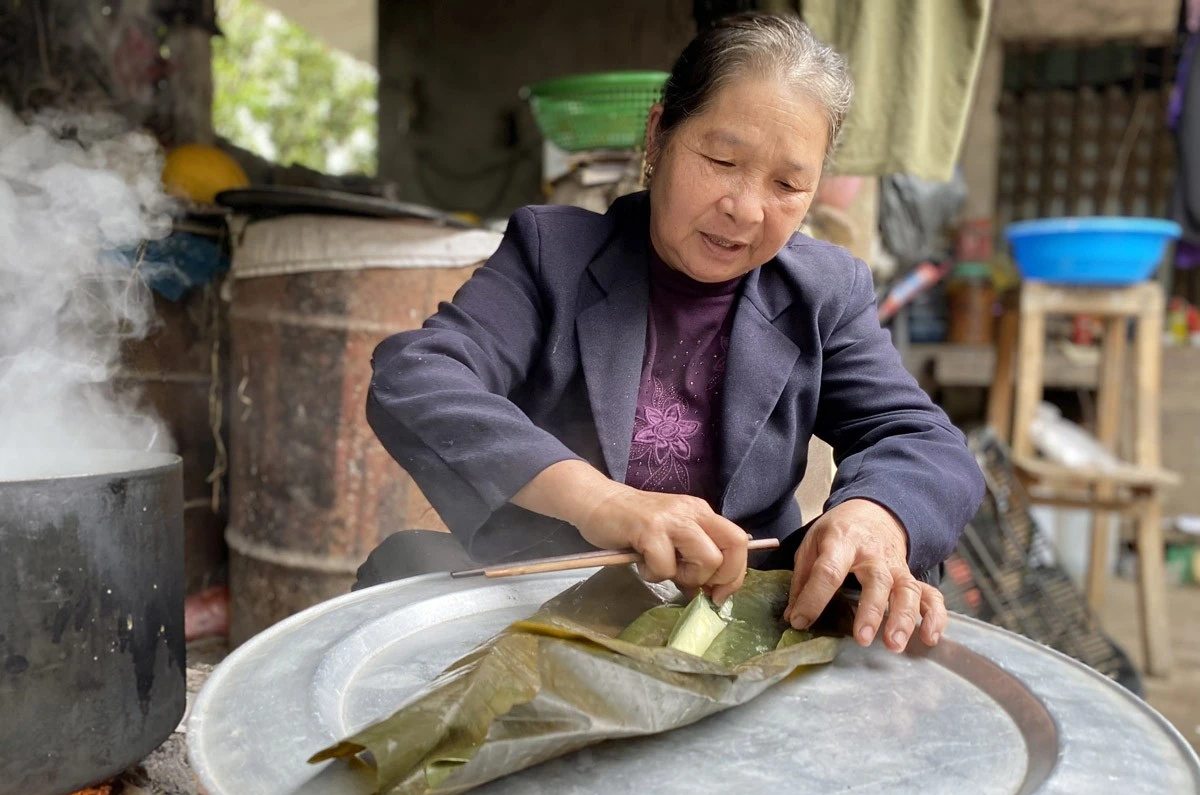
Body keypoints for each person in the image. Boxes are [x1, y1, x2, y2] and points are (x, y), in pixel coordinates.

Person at [361, 12, 985, 654]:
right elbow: (418, 375)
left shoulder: (823, 291)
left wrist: (877, 514)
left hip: (737, 621)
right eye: (722, 160)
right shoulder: (554, 255)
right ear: (658, 136)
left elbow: (922, 439)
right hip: (551, 604)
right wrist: (601, 502)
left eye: (787, 184)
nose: (745, 208)